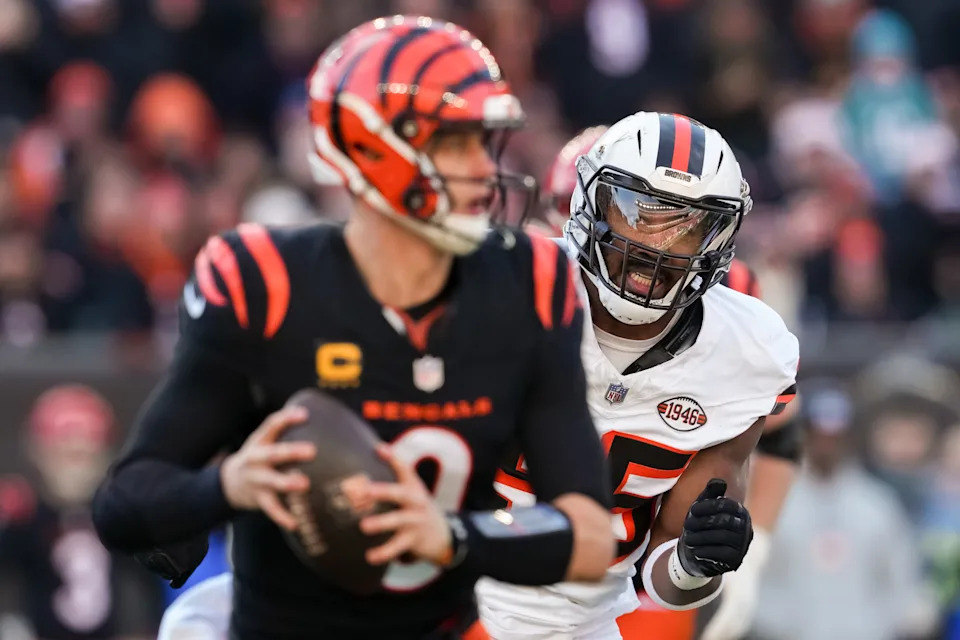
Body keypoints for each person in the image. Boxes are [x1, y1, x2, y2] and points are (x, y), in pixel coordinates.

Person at [92, 16, 614, 640]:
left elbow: (588, 535)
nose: (483, 166)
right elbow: (125, 503)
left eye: (485, 140)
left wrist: (453, 536)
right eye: (454, 143)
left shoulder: (529, 283)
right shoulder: (268, 284)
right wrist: (225, 486)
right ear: (372, 145)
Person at [476, 111, 799, 639]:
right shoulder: (503, 289)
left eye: (687, 225)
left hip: (584, 625)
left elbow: (661, 577)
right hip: (451, 596)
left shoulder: (747, 353)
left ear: (718, 237)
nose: (658, 245)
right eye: (639, 213)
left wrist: (696, 561)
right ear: (591, 204)